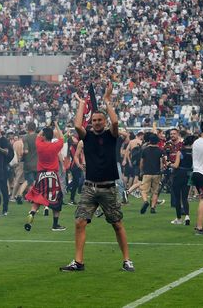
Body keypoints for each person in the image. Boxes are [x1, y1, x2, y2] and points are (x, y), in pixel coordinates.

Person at [60, 84, 134, 272]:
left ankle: (127, 260)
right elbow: (77, 125)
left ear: (105, 121)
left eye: (100, 119)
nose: (97, 122)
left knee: (117, 224)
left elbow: (115, 123)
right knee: (79, 222)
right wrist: (82, 104)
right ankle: (78, 262)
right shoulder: (88, 136)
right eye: (94, 120)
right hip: (90, 187)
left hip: (108, 187)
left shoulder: (111, 135)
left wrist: (107, 101)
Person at [24, 123, 66, 231]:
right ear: (52, 136)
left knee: (38, 197)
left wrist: (46, 127)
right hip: (53, 176)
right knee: (57, 200)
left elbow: (39, 135)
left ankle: (32, 214)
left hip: (41, 175)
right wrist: (56, 125)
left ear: (44, 136)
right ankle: (55, 224)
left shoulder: (39, 144)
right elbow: (62, 137)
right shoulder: (55, 146)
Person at [170, 135, 194, 225]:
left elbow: (176, 165)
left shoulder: (180, 152)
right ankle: (187, 216)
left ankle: (179, 218)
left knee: (177, 198)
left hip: (179, 174)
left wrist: (169, 164)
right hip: (188, 175)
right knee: (185, 197)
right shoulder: (193, 153)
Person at [139, 133, 164, 214]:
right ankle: (153, 207)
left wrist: (141, 171)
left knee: (143, 190)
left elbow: (141, 162)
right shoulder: (160, 150)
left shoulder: (145, 150)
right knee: (155, 192)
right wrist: (161, 171)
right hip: (157, 173)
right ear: (157, 141)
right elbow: (161, 163)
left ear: (149, 141)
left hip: (147, 173)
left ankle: (145, 201)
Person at [14, 122, 38, 204]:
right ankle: (32, 198)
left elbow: (26, 151)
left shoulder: (25, 138)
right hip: (38, 163)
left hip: (28, 163)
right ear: (35, 128)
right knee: (33, 181)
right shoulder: (39, 137)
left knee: (28, 180)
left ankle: (20, 195)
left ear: (28, 128)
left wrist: (22, 155)